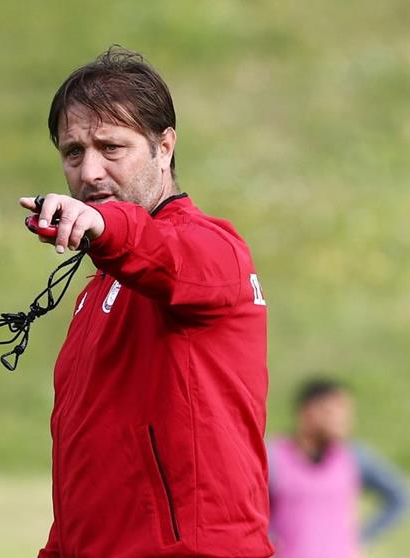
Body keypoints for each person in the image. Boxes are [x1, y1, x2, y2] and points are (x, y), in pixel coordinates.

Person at [21, 46, 273, 557]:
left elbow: (161, 253)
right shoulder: (97, 291)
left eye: (111, 147)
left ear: (165, 147)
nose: (90, 172)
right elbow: (85, 476)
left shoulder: (214, 249)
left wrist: (104, 226)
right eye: (73, 152)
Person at [268, 378, 407, 557]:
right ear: (308, 412)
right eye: (333, 412)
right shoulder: (274, 457)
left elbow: (399, 496)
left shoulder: (353, 457)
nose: (343, 421)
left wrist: (362, 538)